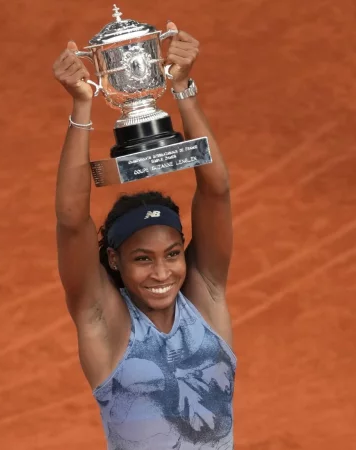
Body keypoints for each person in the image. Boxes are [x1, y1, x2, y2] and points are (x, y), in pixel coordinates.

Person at [51, 22, 236, 450]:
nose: (162, 272)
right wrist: (82, 106)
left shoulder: (204, 299)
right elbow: (71, 220)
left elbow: (217, 190)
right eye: (142, 258)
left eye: (172, 253)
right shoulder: (103, 321)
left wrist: (183, 88)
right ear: (114, 259)